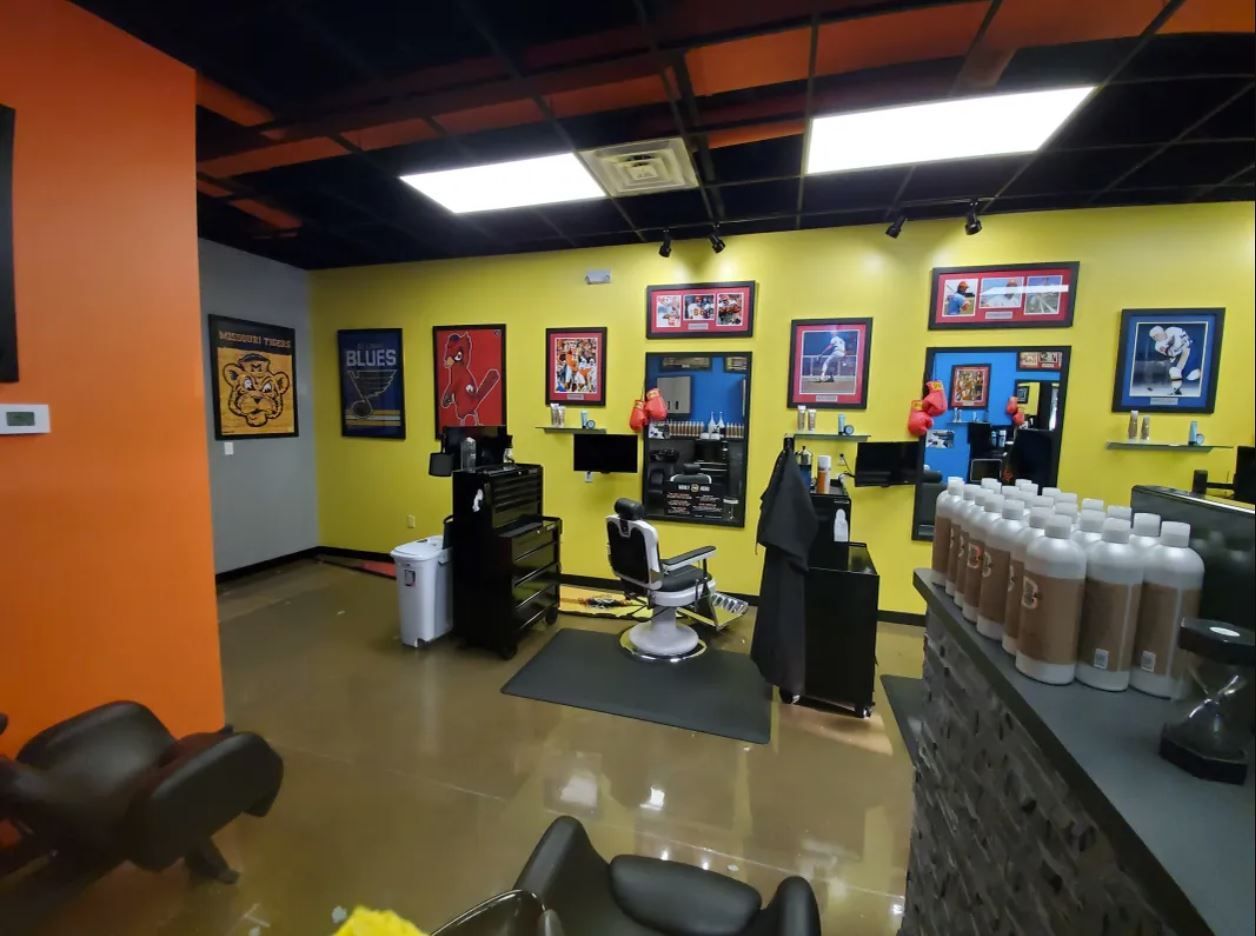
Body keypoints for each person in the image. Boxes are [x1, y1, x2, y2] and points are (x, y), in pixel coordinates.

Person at [1148, 324, 1200, 395]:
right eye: (1153, 337)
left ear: (1162, 332)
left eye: (1156, 335)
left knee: (1192, 375)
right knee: (1174, 371)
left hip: (1190, 349)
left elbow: (1186, 344)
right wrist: (1173, 344)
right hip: (1178, 355)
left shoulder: (1173, 330)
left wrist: (1173, 344)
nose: (1155, 338)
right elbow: (1172, 353)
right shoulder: (1158, 346)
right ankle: (1176, 389)